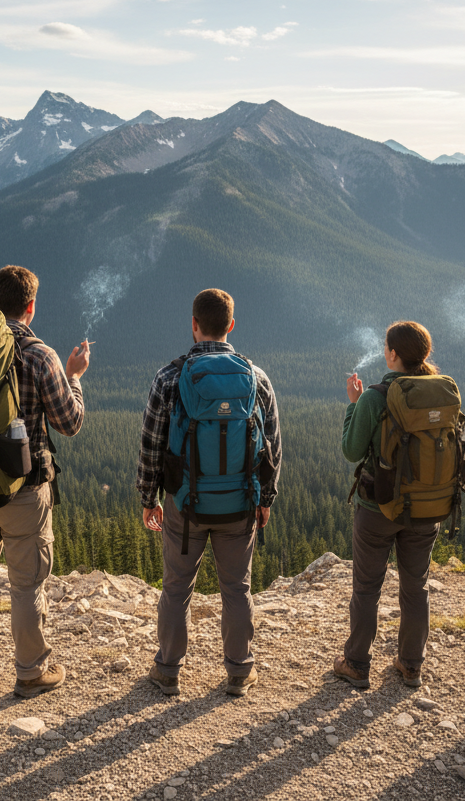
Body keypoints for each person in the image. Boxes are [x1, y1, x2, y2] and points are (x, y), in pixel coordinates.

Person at [138, 289, 282, 698]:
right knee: (237, 588)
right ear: (231, 326)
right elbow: (272, 446)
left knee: (176, 586)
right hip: (239, 504)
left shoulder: (169, 378)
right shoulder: (256, 377)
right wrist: (265, 500)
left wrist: (150, 497)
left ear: (194, 324)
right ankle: (239, 671)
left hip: (185, 505)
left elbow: (151, 443)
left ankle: (167, 670)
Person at [0, 265, 89, 698]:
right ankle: (31, 671)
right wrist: (75, 377)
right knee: (26, 583)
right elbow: (69, 423)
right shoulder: (40, 355)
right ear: (30, 307)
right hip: (23, 488)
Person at [332, 321, 446, 690]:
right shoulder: (441, 392)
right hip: (427, 505)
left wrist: (353, 405)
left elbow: (352, 450)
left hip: (378, 506)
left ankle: (356, 663)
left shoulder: (374, 397)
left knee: (367, 588)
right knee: (417, 587)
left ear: (393, 354)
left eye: (386, 347)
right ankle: (411, 664)